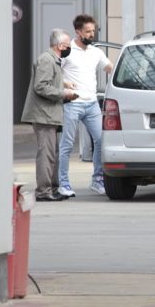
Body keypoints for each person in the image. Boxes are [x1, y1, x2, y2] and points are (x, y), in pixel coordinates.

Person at [58, 14, 113, 197]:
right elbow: (54, 72)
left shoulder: (96, 52)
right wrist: (65, 85)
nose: (92, 34)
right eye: (88, 32)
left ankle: (97, 180)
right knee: (66, 145)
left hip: (91, 105)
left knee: (101, 140)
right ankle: (63, 184)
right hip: (72, 103)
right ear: (78, 32)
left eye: (93, 31)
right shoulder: (67, 50)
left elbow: (110, 68)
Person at [21, 29, 78, 202]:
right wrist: (64, 93)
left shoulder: (53, 60)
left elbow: (48, 82)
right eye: (68, 46)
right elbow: (41, 86)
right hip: (43, 115)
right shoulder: (47, 59)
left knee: (53, 153)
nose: (69, 49)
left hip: (49, 115)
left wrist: (63, 83)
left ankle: (52, 188)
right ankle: (43, 191)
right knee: (46, 154)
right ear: (60, 45)